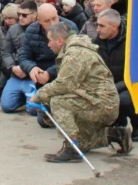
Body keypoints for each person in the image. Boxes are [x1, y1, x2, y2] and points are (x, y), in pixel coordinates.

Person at [31, 24, 119, 162]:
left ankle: (71, 149)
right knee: (81, 143)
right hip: (95, 99)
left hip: (101, 104)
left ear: (60, 40)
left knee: (58, 102)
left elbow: (64, 84)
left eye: (50, 40)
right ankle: (114, 135)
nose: (48, 45)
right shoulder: (75, 49)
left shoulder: (76, 54)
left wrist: (39, 95)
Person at [93, 9, 138, 149]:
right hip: (106, 84)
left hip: (130, 84)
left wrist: (115, 88)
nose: (98, 29)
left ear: (114, 26)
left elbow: (136, 73)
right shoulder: (97, 42)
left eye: (102, 26)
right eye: (97, 25)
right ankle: (118, 121)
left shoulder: (131, 42)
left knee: (124, 100)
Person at [12, 3, 77, 113]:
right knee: (10, 105)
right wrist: (31, 68)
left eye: (54, 18)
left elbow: (72, 59)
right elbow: (23, 56)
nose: (52, 24)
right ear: (39, 20)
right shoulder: (31, 30)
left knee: (38, 112)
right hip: (39, 75)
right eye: (47, 21)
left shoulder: (70, 28)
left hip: (62, 75)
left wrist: (49, 73)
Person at [0, 0, 35, 100]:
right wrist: (13, 67)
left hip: (33, 72)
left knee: (33, 109)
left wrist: (30, 69)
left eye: (24, 15)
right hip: (15, 70)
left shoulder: (39, 29)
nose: (20, 18)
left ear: (34, 15)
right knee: (6, 104)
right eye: (19, 14)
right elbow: (6, 52)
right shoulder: (13, 29)